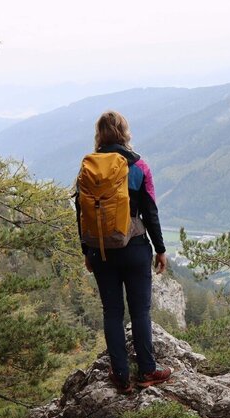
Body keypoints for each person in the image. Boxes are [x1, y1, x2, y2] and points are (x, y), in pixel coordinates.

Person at [75, 110, 172, 393]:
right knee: (140, 311)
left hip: (101, 250)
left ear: (100, 135)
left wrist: (86, 249)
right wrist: (161, 249)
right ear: (124, 133)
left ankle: (119, 375)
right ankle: (147, 371)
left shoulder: (88, 168)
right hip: (135, 247)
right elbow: (150, 211)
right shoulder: (139, 166)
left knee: (112, 312)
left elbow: (81, 212)